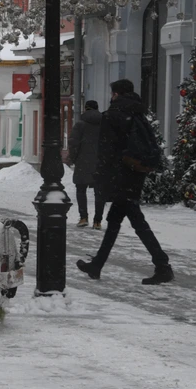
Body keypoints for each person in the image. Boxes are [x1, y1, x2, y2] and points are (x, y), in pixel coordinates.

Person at [77, 79, 174, 285]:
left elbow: (107, 150)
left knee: (136, 221)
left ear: (116, 94)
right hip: (134, 173)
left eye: (112, 94)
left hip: (120, 175)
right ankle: (97, 265)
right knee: (115, 221)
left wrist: (101, 177)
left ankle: (163, 265)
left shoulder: (114, 115)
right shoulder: (137, 112)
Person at [67, 100, 106, 229]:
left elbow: (73, 144)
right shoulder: (105, 125)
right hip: (101, 162)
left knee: (81, 190)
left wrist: (74, 159)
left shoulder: (80, 125)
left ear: (86, 109)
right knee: (99, 192)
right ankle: (97, 221)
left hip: (83, 162)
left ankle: (83, 217)